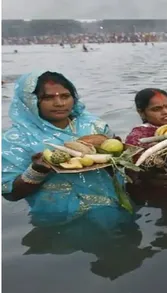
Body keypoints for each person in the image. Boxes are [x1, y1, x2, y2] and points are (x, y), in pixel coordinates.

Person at [2, 71, 132, 226]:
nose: (60, 103)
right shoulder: (17, 139)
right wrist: (37, 170)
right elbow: (10, 193)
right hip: (58, 220)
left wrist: (118, 156)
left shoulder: (93, 126)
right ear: (30, 101)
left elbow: (119, 168)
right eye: (48, 98)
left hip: (114, 208)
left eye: (65, 96)